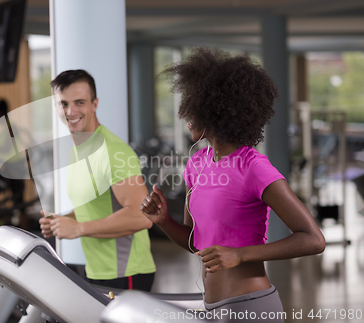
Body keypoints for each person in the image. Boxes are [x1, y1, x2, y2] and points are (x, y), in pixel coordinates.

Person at [140, 48, 325, 322]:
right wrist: (163, 220)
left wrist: (240, 255)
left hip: (251, 307)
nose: (187, 116)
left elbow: (313, 239)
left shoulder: (253, 167)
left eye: (194, 107)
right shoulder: (197, 164)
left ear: (216, 109)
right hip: (212, 308)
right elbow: (195, 243)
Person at [39, 70, 156, 292]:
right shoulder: (77, 150)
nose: (70, 111)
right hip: (97, 270)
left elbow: (143, 217)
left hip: (127, 273)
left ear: (95, 104)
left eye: (79, 102)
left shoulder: (113, 152)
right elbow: (97, 206)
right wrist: (63, 221)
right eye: (63, 103)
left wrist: (79, 228)